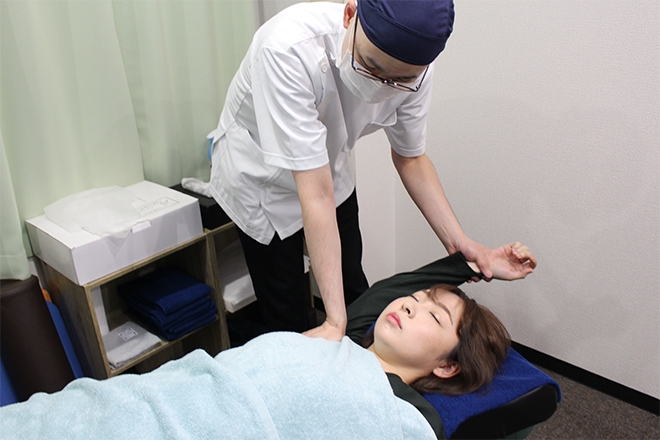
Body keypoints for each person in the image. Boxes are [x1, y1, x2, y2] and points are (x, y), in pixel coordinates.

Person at [0, 242, 536, 440]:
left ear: (446, 366)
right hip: (158, 402)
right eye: (414, 300)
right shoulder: (347, 335)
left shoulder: (404, 412)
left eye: (431, 316)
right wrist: (476, 265)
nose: (409, 305)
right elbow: (393, 291)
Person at [206, 0, 500, 341]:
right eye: (372, 66)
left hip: (329, 168)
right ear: (350, 15)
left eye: (400, 80)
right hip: (262, 181)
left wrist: (458, 241)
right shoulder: (287, 49)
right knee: (288, 313)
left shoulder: (417, 69)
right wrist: (334, 321)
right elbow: (316, 195)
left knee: (354, 290)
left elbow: (411, 158)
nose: (382, 85)